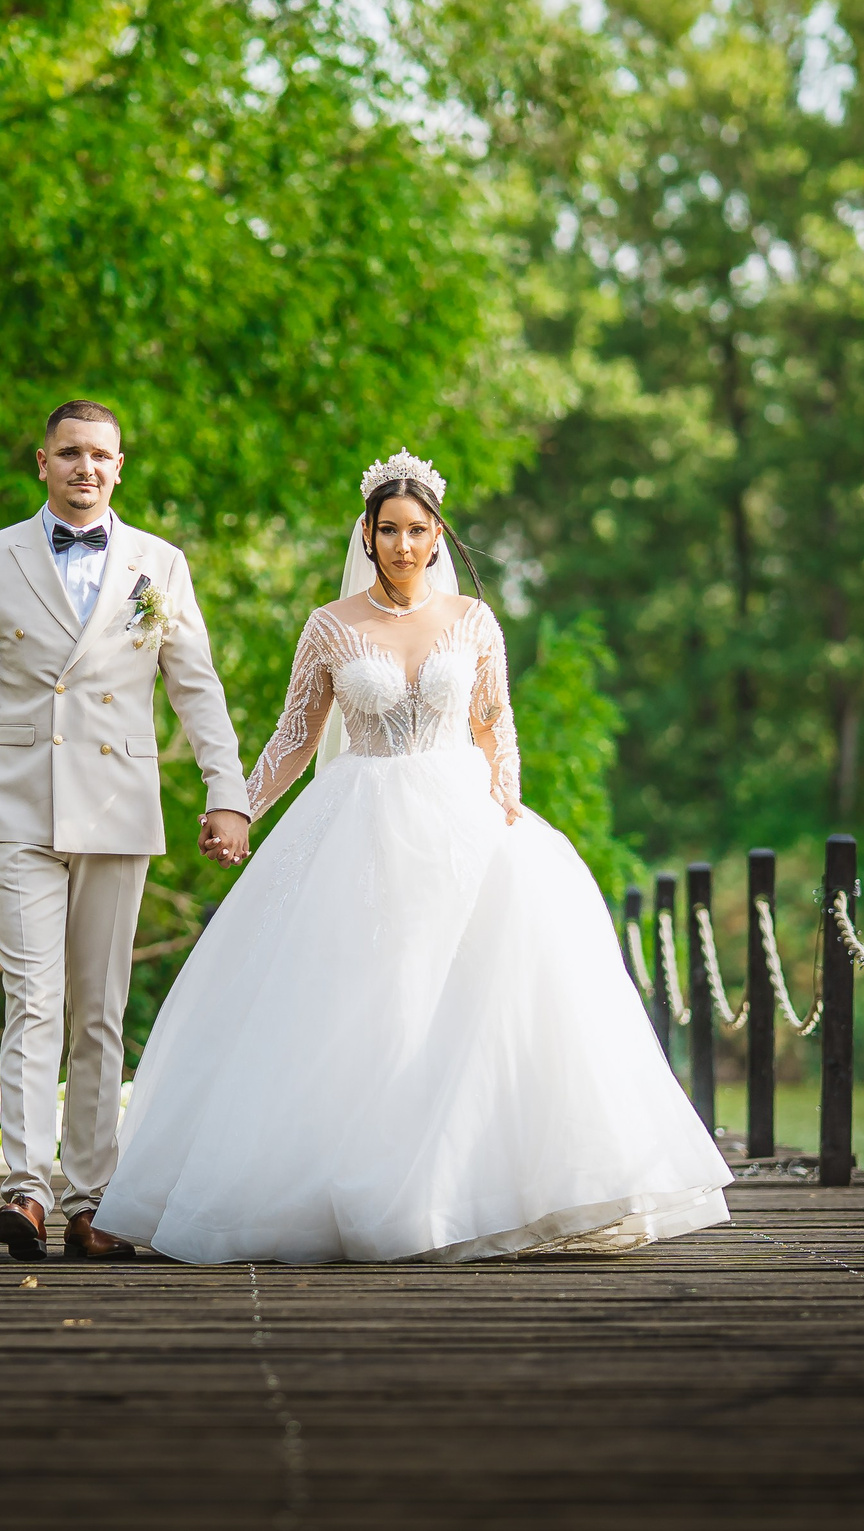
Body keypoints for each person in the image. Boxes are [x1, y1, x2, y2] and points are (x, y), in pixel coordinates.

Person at [96, 449, 731, 1263]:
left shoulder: (473, 620)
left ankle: (466, 1189)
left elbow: (494, 722)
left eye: (417, 530)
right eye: (389, 529)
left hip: (461, 821)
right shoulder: (330, 625)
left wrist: (506, 799)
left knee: (467, 1000)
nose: (403, 544)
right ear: (367, 534)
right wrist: (239, 808)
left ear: (437, 536)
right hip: (357, 824)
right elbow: (297, 736)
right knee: (369, 1000)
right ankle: (352, 1184)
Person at [0, 399, 253, 1262]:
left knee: (100, 1012)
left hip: (117, 805)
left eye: (100, 455)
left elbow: (196, 687)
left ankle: (90, 1200)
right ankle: (28, 1190)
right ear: (42, 462)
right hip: (17, 808)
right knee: (33, 1000)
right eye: (70, 452)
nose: (86, 467)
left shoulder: (160, 563)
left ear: (120, 467)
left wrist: (226, 792)